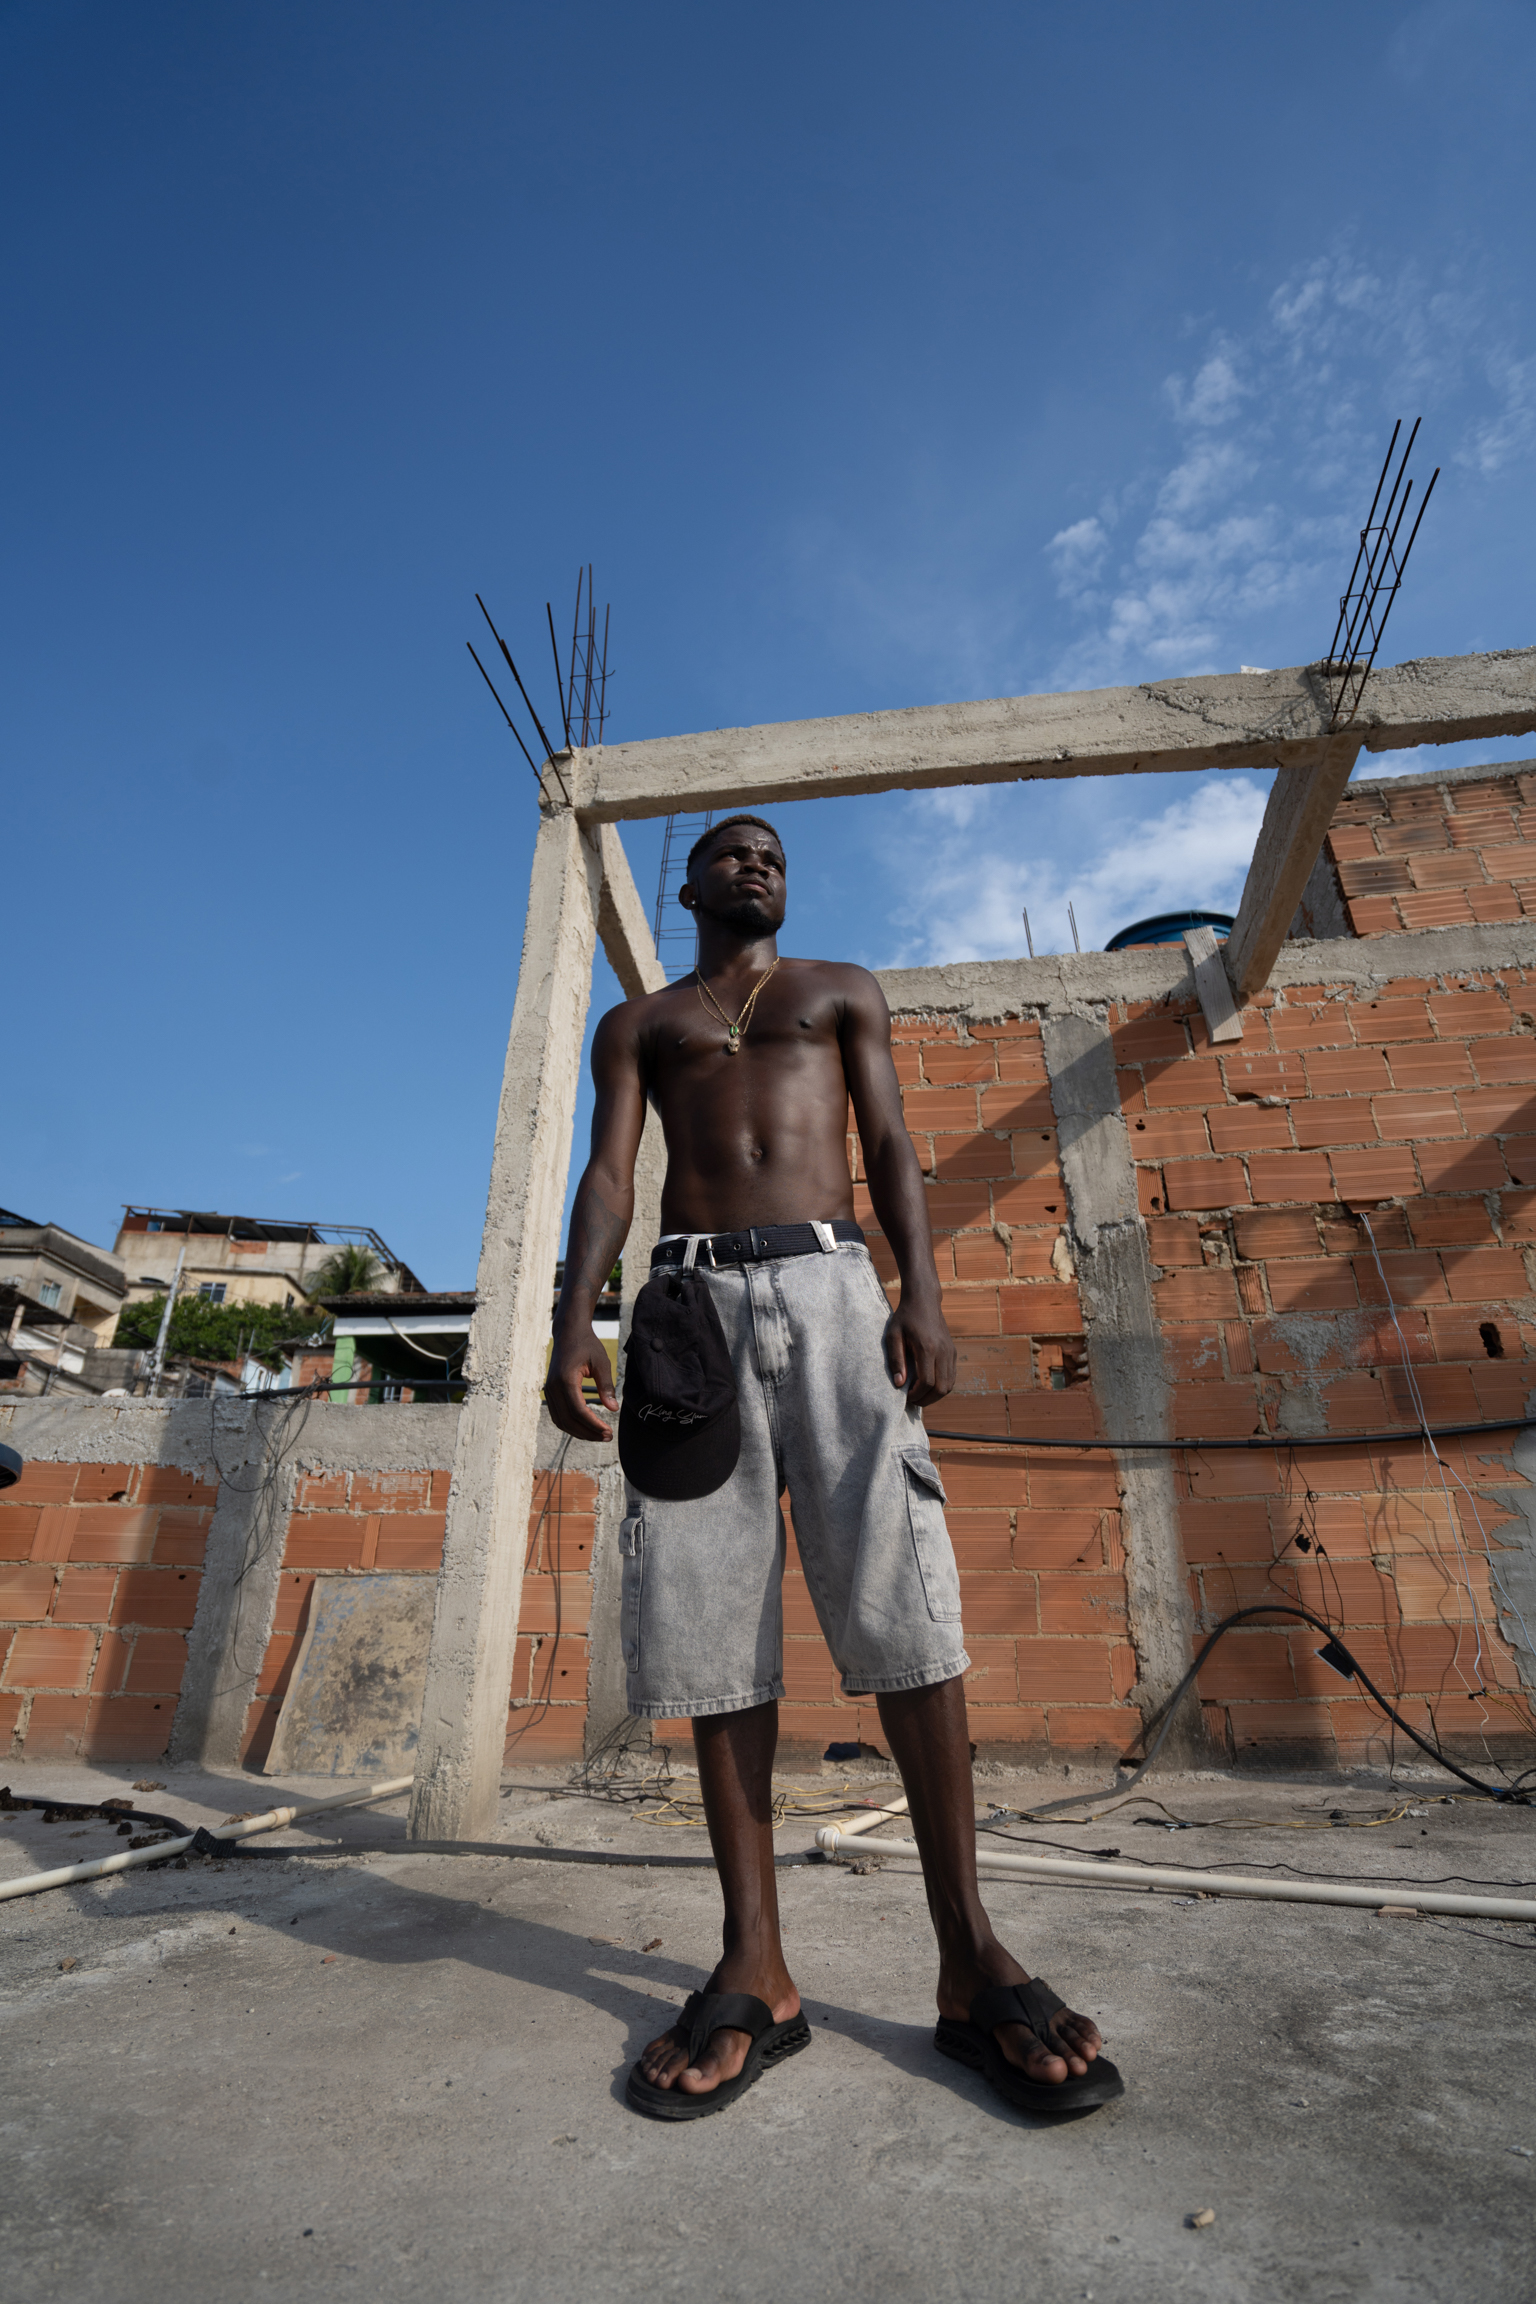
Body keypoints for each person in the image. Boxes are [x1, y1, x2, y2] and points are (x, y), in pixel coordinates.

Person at [544, 815, 1121, 2121]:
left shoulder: (837, 992)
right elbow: (609, 1175)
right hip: (684, 1307)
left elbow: (895, 1145)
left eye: (777, 857)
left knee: (904, 1606)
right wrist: (577, 1314)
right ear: (685, 884)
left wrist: (918, 1292)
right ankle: (757, 1964)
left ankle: (970, 1957)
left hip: (833, 1286)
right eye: (733, 853)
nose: (758, 866)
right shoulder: (638, 1023)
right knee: (708, 1629)